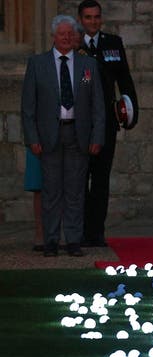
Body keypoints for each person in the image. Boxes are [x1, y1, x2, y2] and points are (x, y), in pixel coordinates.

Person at [21, 14, 104, 257]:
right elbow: (28, 107)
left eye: (70, 34)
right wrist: (32, 138)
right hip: (48, 136)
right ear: (53, 37)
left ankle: (74, 241)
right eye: (61, 34)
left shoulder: (88, 65)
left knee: (76, 191)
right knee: (51, 192)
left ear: (74, 37)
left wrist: (97, 136)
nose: (66, 37)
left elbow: (98, 104)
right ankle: (50, 241)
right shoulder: (37, 64)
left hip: (78, 134)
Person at [78, 0, 139, 247]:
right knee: (80, 181)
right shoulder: (73, 44)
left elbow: (124, 80)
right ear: (80, 19)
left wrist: (132, 114)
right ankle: (80, 232)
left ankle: (96, 233)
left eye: (96, 17)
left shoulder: (112, 44)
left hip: (106, 124)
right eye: (88, 17)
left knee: (101, 180)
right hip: (80, 125)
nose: (93, 22)